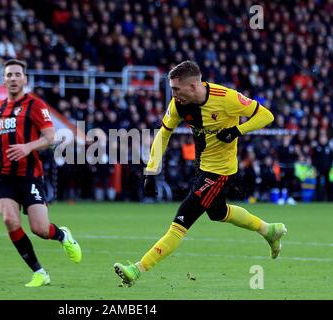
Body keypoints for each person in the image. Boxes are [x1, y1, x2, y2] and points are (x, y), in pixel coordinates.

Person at [114, 61, 286, 286]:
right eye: (172, 89)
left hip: (220, 172)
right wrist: (151, 171)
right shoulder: (178, 105)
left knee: (180, 223)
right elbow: (163, 135)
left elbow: (266, 116)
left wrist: (236, 130)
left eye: (177, 89)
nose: (173, 94)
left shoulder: (226, 98)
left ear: (194, 86)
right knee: (219, 212)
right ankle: (268, 230)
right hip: (202, 167)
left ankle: (137, 269)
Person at [0, 59, 82, 287]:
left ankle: (62, 235)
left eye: (18, 74)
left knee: (39, 228)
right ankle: (39, 272)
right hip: (3, 175)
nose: (13, 78)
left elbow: (51, 138)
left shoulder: (36, 105)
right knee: (9, 219)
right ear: (4, 79)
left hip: (29, 175)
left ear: (25, 79)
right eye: (9, 75)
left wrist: (28, 147)